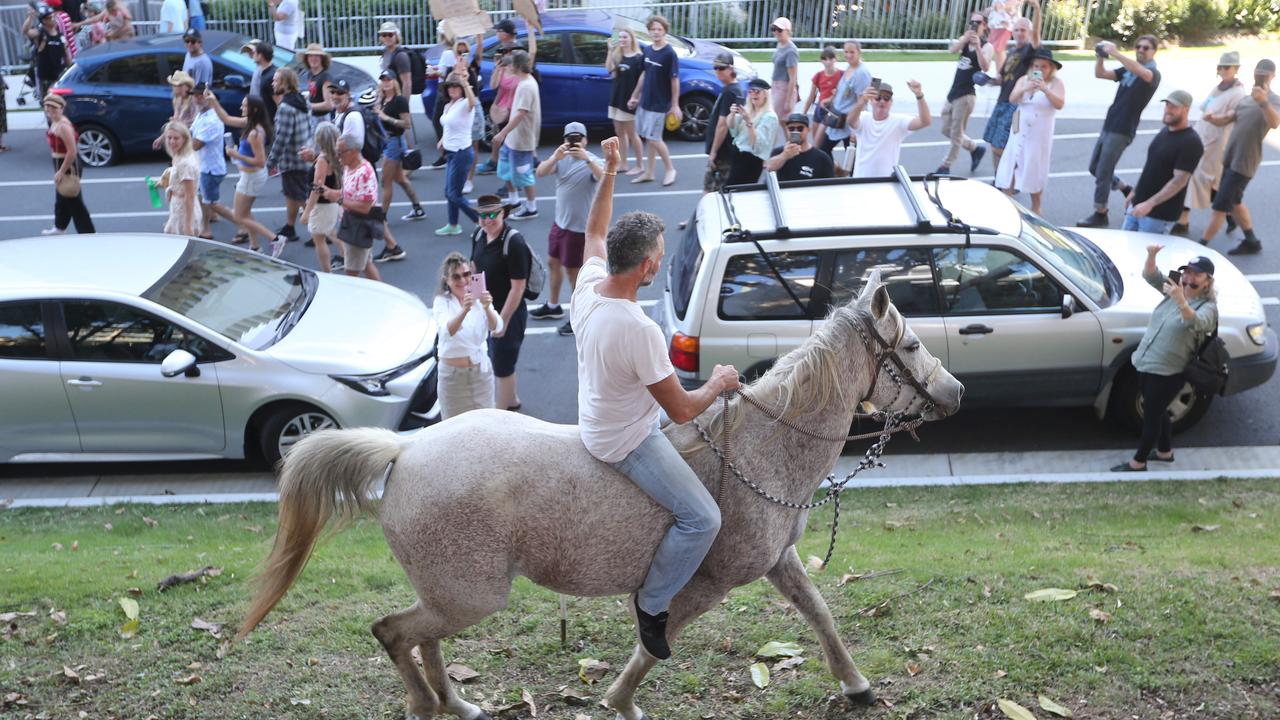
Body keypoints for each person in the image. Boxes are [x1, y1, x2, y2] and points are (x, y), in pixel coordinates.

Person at [574, 136, 740, 660]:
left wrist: (612, 171)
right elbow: (683, 409)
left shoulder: (588, 285)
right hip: (624, 439)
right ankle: (653, 601)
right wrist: (720, 382)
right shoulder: (638, 328)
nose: (660, 265)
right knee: (704, 518)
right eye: (659, 260)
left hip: (600, 413)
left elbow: (595, 230)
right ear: (645, 266)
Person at [1112, 251, 1216, 472]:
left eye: (1197, 275)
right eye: (1187, 272)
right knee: (1157, 411)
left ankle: (1138, 462)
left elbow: (1197, 324)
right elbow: (1151, 275)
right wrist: (1151, 255)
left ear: (1208, 281)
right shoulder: (1175, 289)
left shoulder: (1208, 308)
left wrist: (1180, 299)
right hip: (1145, 361)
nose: (1189, 278)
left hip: (1169, 372)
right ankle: (1164, 452)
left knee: (1151, 418)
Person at [1077, 36, 1161, 228]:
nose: (1140, 49)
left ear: (1153, 51)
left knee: (1104, 171)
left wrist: (1115, 52)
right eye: (1138, 46)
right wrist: (1100, 56)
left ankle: (1100, 212)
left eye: (1145, 47)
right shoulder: (1127, 71)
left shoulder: (1153, 73)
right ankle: (1124, 187)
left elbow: (1144, 73)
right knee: (1094, 168)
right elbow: (1100, 74)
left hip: (1122, 129)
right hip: (1110, 125)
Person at [1198, 59, 1279, 255]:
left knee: (1220, 207)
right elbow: (1227, 118)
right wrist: (1212, 118)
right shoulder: (1246, 99)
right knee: (1234, 201)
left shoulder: (1273, 100)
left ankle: (1202, 245)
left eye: (1265, 73)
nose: (1260, 76)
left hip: (1244, 163)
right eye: (1258, 72)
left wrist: (1263, 101)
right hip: (1230, 159)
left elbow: (1275, 122)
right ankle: (1251, 240)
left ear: (1273, 76)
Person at [530, 122, 604, 336]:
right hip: (560, 224)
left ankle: (579, 316)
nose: (574, 142)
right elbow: (540, 171)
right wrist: (555, 156)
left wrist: (587, 159)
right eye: (570, 139)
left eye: (578, 138)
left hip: (578, 230)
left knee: (574, 275)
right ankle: (553, 306)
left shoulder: (592, 161)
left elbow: (603, 176)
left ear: (585, 140)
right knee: (553, 263)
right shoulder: (561, 160)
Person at [1173, 51, 1247, 237]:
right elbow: (1206, 107)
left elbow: (1230, 117)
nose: (1222, 70)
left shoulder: (1238, 93)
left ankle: (1184, 220)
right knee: (1209, 182)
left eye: (1227, 67)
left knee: (1199, 178)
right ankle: (1228, 214)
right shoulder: (1219, 87)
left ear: (1236, 69)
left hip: (1216, 144)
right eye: (1221, 66)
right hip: (1202, 136)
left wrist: (1214, 119)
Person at [470, 194, 533, 412]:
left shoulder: (513, 242)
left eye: (492, 215)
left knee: (502, 366)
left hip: (509, 312)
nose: (487, 220)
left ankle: (502, 414)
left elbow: (518, 287)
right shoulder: (479, 235)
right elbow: (474, 268)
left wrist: (502, 321)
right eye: (482, 216)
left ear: (503, 214)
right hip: (487, 309)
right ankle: (512, 399)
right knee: (498, 359)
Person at [1120, 90, 1203, 235]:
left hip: (1157, 215)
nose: (1168, 110)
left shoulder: (1191, 142)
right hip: (1138, 205)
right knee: (1125, 250)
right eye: (1167, 105)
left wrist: (1149, 204)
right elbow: (1150, 168)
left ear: (1186, 109)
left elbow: (1179, 181)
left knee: (1145, 254)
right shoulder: (1164, 132)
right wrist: (1134, 193)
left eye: (1174, 107)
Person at [433, 251, 503, 420]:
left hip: (481, 373)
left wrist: (487, 308)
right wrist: (464, 310)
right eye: (456, 277)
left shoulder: (480, 298)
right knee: (453, 428)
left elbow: (497, 328)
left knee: (486, 423)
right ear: (447, 281)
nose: (463, 281)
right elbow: (446, 331)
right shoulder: (442, 302)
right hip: (453, 378)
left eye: (466, 274)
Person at [994, 48, 1065, 214]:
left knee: (1034, 164)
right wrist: (1025, 88)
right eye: (1035, 66)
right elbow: (1012, 98)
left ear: (1050, 68)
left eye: (1043, 67)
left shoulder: (1056, 83)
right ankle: (1008, 200)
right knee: (1013, 159)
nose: (1038, 70)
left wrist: (1045, 89)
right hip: (1020, 123)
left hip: (1040, 130)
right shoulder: (1023, 80)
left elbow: (1059, 104)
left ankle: (1036, 206)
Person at [982, 0, 1042, 173]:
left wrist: (1037, 9)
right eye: (1016, 29)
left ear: (1029, 33)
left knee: (1009, 144)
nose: (1019, 33)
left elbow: (1037, 34)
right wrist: (987, 80)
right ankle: (999, 180)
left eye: (1023, 30)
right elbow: (1002, 78)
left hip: (1016, 108)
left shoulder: (1030, 50)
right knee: (994, 144)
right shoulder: (1011, 53)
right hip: (1002, 103)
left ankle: (1010, 180)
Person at [213, 95, 276, 252]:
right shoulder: (250, 123)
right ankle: (255, 246)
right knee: (245, 213)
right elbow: (226, 118)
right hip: (250, 176)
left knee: (240, 216)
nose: (241, 108)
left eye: (244, 106)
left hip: (252, 177)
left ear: (253, 109)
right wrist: (213, 100)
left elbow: (261, 161)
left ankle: (275, 238)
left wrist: (236, 155)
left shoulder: (255, 132)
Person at [627, 15, 681, 187]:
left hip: (659, 103)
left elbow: (674, 80)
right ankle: (649, 172)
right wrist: (635, 95)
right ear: (649, 31)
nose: (656, 32)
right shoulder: (648, 50)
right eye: (653, 29)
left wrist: (674, 105)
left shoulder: (669, 53)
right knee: (649, 138)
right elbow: (644, 74)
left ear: (665, 31)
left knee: (654, 139)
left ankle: (670, 169)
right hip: (646, 101)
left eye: (659, 29)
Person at [937, 11, 992, 175]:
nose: (974, 25)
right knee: (946, 129)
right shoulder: (966, 39)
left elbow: (986, 67)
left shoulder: (987, 46)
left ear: (985, 25)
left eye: (978, 22)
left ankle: (946, 166)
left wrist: (978, 48)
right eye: (972, 22)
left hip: (966, 94)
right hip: (954, 91)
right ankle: (974, 148)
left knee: (955, 132)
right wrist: (965, 39)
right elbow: (952, 50)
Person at [322, 135, 382, 280]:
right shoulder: (349, 166)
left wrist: (339, 199)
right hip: (353, 223)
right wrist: (332, 193)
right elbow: (351, 193)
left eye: (340, 152)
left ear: (354, 151)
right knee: (366, 264)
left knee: (351, 274)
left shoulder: (364, 173)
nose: (338, 156)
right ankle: (381, 295)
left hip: (358, 225)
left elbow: (366, 207)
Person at [267, 68, 313, 253]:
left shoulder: (286, 107)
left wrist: (270, 163)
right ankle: (290, 226)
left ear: (286, 83)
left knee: (302, 198)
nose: (273, 83)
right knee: (291, 194)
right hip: (303, 155)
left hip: (292, 160)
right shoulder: (302, 100)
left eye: (276, 80)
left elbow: (282, 138)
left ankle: (322, 232)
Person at [492, 49, 541, 221]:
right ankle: (514, 200)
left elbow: (521, 114)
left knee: (524, 175)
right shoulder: (522, 81)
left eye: (509, 64)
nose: (507, 66)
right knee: (505, 169)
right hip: (512, 138)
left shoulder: (527, 86)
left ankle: (531, 207)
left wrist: (501, 134)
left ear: (517, 66)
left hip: (522, 139)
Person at [848, 80, 931, 179]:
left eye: (887, 98)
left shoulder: (899, 121)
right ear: (871, 101)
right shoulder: (863, 117)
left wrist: (919, 95)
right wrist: (862, 101)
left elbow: (925, 121)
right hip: (861, 179)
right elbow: (851, 121)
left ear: (891, 102)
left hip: (886, 182)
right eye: (878, 98)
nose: (882, 101)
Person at [375, 70, 426, 223]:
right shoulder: (382, 99)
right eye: (383, 80)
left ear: (394, 81)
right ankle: (418, 208)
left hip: (394, 142)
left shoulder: (399, 101)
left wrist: (387, 118)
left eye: (389, 79)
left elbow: (407, 124)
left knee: (385, 181)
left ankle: (382, 216)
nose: (386, 82)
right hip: (386, 142)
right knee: (400, 179)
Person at [41, 93, 95, 235]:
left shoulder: (63, 127)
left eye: (54, 108)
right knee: (62, 197)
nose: (50, 110)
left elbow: (72, 152)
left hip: (68, 164)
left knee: (72, 199)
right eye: (47, 107)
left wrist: (61, 171)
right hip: (60, 162)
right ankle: (59, 227)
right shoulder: (55, 121)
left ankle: (88, 233)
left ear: (61, 109)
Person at [435, 71, 480, 236]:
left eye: (456, 86)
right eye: (450, 86)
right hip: (451, 153)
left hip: (462, 153)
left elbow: (473, 102)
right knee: (450, 192)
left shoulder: (465, 104)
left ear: (461, 89)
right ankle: (453, 225)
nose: (452, 89)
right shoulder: (449, 106)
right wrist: (442, 141)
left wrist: (466, 83)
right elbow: (448, 125)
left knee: (453, 193)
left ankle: (480, 221)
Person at [820, 41, 872, 174]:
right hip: (837, 118)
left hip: (849, 121)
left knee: (851, 156)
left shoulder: (861, 73)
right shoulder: (849, 68)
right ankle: (835, 173)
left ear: (859, 52)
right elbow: (842, 91)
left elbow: (863, 100)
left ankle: (852, 180)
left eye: (852, 52)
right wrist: (830, 100)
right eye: (846, 52)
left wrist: (856, 128)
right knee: (824, 149)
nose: (848, 55)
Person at [300, 122, 342, 272]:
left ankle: (327, 271)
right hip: (332, 204)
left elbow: (317, 188)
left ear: (319, 140)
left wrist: (306, 212)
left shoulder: (323, 160)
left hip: (323, 206)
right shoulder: (335, 156)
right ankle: (349, 259)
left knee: (319, 239)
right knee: (332, 233)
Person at [188, 84, 228, 240]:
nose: (197, 98)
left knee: (209, 201)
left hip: (211, 169)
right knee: (201, 195)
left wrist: (178, 147)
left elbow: (196, 144)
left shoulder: (211, 119)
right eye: (195, 95)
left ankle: (207, 229)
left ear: (209, 98)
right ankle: (211, 217)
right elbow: (190, 132)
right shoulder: (201, 114)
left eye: (200, 95)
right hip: (205, 166)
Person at [606, 28, 646, 176]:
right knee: (619, 133)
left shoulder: (638, 57)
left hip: (629, 101)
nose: (622, 40)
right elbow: (609, 69)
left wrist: (636, 98)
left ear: (632, 39)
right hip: (616, 99)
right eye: (620, 37)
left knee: (632, 134)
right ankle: (623, 163)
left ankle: (639, 165)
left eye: (625, 37)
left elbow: (642, 81)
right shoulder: (618, 55)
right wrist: (610, 50)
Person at [703, 52, 744, 195]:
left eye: (721, 68)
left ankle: (701, 217)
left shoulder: (730, 93)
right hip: (724, 151)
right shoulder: (730, 89)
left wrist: (713, 152)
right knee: (711, 189)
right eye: (715, 68)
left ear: (731, 69)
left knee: (712, 191)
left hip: (723, 152)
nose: (717, 71)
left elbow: (722, 125)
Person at [725, 78, 779, 185]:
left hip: (751, 159)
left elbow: (758, 143)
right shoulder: (748, 110)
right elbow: (732, 128)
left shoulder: (770, 117)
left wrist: (749, 122)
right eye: (750, 91)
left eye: (757, 91)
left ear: (765, 94)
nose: (753, 94)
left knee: (741, 191)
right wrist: (732, 114)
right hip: (738, 154)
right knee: (731, 189)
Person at [160, 122, 202, 237]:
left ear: (184, 139)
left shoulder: (184, 163)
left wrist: (187, 226)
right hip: (178, 207)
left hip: (183, 210)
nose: (172, 141)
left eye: (176, 138)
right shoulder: (183, 154)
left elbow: (190, 196)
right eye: (169, 138)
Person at [765, 113, 835, 181]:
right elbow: (769, 168)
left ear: (808, 130)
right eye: (791, 129)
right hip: (785, 192)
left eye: (800, 128)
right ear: (787, 130)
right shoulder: (779, 152)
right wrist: (785, 155)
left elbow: (830, 185)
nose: (796, 132)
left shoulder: (822, 158)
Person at [24, 5, 72, 102]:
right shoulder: (40, 34)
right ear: (44, 21)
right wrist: (30, 17)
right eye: (50, 18)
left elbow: (67, 56)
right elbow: (26, 31)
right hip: (46, 77)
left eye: (53, 16)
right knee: (49, 103)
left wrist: (70, 71)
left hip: (59, 76)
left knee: (61, 103)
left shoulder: (60, 36)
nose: (53, 19)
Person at [801, 46, 840, 147]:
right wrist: (803, 113)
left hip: (833, 111)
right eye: (825, 59)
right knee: (817, 145)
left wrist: (833, 97)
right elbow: (811, 96)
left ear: (836, 59)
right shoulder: (818, 75)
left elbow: (846, 94)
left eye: (831, 59)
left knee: (824, 145)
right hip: (820, 109)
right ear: (821, 61)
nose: (828, 62)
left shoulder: (841, 75)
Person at [152, 71, 197, 152]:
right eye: (175, 85)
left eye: (180, 85)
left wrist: (180, 123)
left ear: (187, 86)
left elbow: (196, 123)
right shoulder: (177, 99)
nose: (177, 88)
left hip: (191, 139)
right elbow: (175, 122)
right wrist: (162, 138)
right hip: (180, 137)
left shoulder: (193, 99)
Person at [770, 17, 799, 119]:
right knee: (782, 122)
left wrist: (788, 100)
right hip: (775, 85)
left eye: (780, 30)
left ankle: (793, 135)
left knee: (776, 119)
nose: (776, 32)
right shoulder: (780, 45)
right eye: (774, 29)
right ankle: (789, 136)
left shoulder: (791, 50)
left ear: (788, 31)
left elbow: (793, 78)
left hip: (784, 88)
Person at [300, 44, 334, 132]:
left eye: (316, 56)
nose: (313, 59)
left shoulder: (325, 77)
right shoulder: (310, 74)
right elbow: (314, 93)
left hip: (322, 120)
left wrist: (307, 106)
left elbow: (329, 105)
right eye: (310, 56)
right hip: (313, 117)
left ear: (322, 58)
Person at [378, 22, 412, 102]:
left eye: (390, 34)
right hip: (388, 98)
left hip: (397, 99)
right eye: (384, 35)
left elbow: (407, 83)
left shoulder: (401, 56)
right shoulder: (385, 52)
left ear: (396, 36)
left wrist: (404, 104)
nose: (387, 37)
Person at [242, 40, 277, 118]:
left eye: (253, 52)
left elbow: (278, 101)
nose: (251, 55)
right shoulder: (261, 70)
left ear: (260, 55)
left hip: (269, 119)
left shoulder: (271, 76)